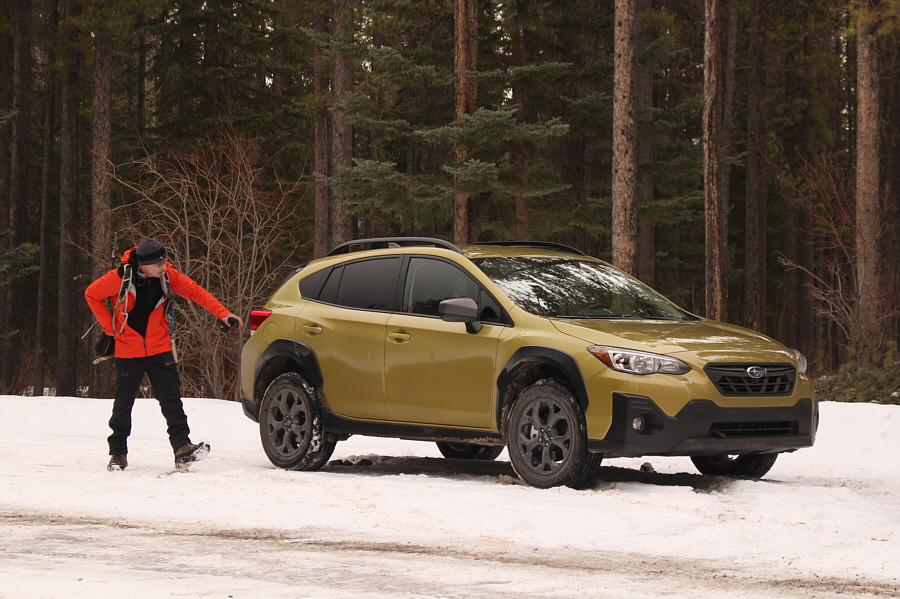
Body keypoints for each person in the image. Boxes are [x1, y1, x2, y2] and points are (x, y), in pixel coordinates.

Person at [85, 237, 244, 471]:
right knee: (123, 404)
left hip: (160, 348)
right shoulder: (118, 278)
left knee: (171, 400)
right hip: (129, 350)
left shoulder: (167, 276)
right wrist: (111, 329)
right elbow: (91, 294)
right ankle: (118, 453)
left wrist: (223, 314)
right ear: (143, 264)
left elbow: (195, 292)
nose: (164, 266)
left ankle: (182, 448)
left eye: (164, 262)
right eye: (159, 264)